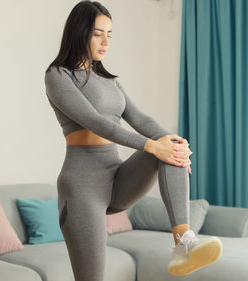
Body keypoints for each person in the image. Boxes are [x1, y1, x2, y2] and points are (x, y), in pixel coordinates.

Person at [43, 1, 222, 280]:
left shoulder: (109, 80)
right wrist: (152, 145)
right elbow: (96, 122)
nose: (106, 41)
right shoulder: (58, 75)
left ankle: (183, 243)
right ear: (79, 32)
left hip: (117, 178)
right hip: (82, 187)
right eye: (98, 33)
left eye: (110, 34)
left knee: (170, 144)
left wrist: (176, 144)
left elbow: (141, 119)